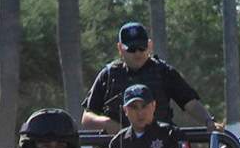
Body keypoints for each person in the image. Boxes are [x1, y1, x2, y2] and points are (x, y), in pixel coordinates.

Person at [81, 21, 219, 135]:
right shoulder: (109, 75)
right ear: (120, 48)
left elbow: (190, 103)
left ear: (149, 46)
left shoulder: (164, 72)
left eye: (142, 47)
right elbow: (87, 118)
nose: (138, 53)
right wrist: (107, 124)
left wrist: (208, 121)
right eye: (132, 48)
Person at [100, 84, 193, 148]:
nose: (140, 113)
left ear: (154, 105)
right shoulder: (118, 141)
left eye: (144, 106)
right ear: (125, 110)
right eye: (134, 107)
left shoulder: (172, 134)